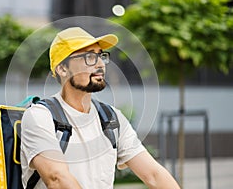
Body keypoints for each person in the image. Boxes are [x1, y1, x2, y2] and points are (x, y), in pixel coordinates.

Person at [21, 27, 180, 189]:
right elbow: (57, 178)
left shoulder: (111, 118)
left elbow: (154, 175)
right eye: (89, 57)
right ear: (62, 69)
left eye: (101, 56)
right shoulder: (40, 117)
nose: (99, 64)